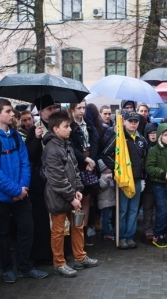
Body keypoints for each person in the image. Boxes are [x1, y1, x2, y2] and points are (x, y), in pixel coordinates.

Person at [0, 99, 48, 283]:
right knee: (3, 234)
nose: (13, 114)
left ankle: (24, 266)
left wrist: (22, 188)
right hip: (0, 196)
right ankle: (7, 269)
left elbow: (24, 162)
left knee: (27, 229)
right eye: (8, 111)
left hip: (20, 193)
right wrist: (14, 190)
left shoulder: (16, 136)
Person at [42, 112, 98, 277]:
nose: (69, 129)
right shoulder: (52, 149)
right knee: (58, 232)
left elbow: (74, 168)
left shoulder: (66, 144)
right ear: (55, 128)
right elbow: (57, 179)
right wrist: (72, 197)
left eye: (69, 125)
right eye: (65, 126)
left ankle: (80, 257)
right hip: (58, 197)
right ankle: (59, 263)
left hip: (72, 194)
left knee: (77, 227)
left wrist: (79, 190)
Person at [101, 111, 147, 250]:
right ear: (124, 122)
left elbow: (145, 159)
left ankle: (130, 237)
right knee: (122, 210)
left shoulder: (142, 140)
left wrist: (143, 177)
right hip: (123, 180)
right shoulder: (119, 138)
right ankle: (121, 238)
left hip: (137, 180)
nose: (133, 123)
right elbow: (106, 155)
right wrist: (117, 169)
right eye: (130, 121)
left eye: (135, 121)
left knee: (134, 210)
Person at [25, 95, 60, 264]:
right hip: (41, 181)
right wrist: (36, 139)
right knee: (41, 220)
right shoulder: (35, 129)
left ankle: (59, 251)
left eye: (54, 108)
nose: (53, 111)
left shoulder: (58, 127)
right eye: (49, 109)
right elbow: (29, 155)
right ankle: (43, 254)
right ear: (40, 112)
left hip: (57, 179)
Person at [67, 101, 98, 246]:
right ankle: (74, 234)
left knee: (86, 199)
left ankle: (83, 233)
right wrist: (86, 160)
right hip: (77, 165)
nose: (82, 111)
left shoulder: (88, 124)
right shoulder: (70, 126)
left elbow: (95, 142)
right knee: (76, 201)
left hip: (89, 164)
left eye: (84, 108)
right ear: (72, 109)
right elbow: (72, 148)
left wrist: (91, 161)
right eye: (79, 108)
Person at [142, 122, 158, 240]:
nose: (153, 135)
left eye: (155, 133)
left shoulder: (161, 147)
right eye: (150, 133)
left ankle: (157, 228)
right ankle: (148, 229)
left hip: (159, 182)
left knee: (160, 207)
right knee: (148, 207)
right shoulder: (144, 147)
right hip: (147, 182)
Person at [96, 159, 115, 240]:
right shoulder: (101, 177)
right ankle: (106, 233)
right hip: (105, 202)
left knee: (112, 218)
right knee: (106, 219)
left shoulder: (111, 176)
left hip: (112, 200)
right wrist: (105, 178)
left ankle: (112, 232)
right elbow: (101, 186)